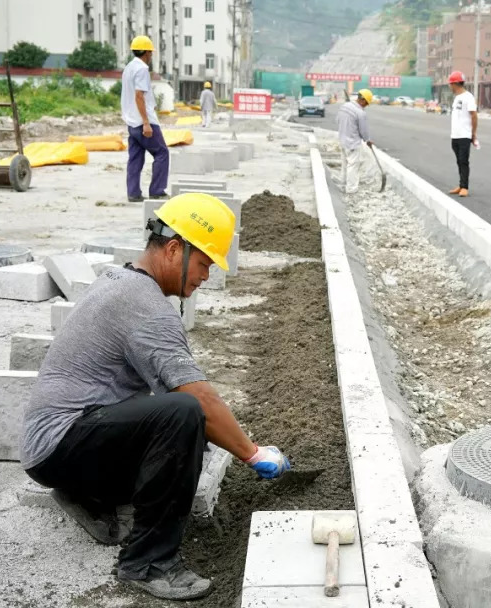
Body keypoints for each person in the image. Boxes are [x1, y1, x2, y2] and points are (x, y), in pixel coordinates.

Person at [20, 194, 292, 601]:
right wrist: (253, 454)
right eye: (203, 264)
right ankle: (148, 562)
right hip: (61, 446)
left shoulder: (121, 281)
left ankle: (91, 497)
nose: (205, 277)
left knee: (187, 428)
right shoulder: (146, 307)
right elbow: (197, 398)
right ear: (173, 249)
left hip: (59, 445)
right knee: (185, 415)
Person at [123, 35, 168, 203]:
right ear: (147, 53)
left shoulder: (128, 68)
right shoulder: (141, 69)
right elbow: (139, 96)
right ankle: (157, 190)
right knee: (162, 153)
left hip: (131, 122)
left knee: (135, 157)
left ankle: (133, 193)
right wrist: (147, 123)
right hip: (143, 122)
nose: (151, 56)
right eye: (151, 53)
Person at [447, 71, 478, 197]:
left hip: (465, 135)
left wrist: (473, 133)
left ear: (455, 83)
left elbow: (474, 116)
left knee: (463, 160)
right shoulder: (457, 98)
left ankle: (465, 187)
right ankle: (460, 185)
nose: (450, 86)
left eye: (450, 84)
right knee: (459, 161)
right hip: (455, 135)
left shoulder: (468, 97)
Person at [337, 88, 373, 194]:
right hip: (352, 143)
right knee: (353, 166)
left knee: (345, 164)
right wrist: (368, 140)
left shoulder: (344, 107)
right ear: (363, 100)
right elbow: (363, 131)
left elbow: (337, 120)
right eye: (366, 103)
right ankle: (351, 189)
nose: (366, 106)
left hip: (342, 140)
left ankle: (342, 184)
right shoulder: (360, 113)